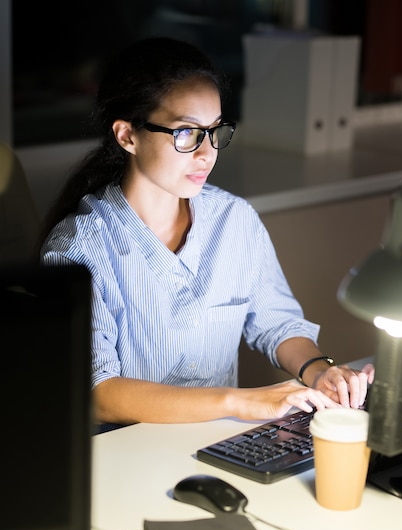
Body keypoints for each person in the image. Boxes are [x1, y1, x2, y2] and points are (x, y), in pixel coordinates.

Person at [40, 37, 374, 427]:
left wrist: (321, 371)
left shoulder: (235, 220)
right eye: (186, 133)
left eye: (215, 131)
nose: (207, 153)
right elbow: (97, 391)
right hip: (125, 459)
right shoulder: (79, 248)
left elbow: (278, 324)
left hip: (214, 446)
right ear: (127, 135)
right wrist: (239, 402)